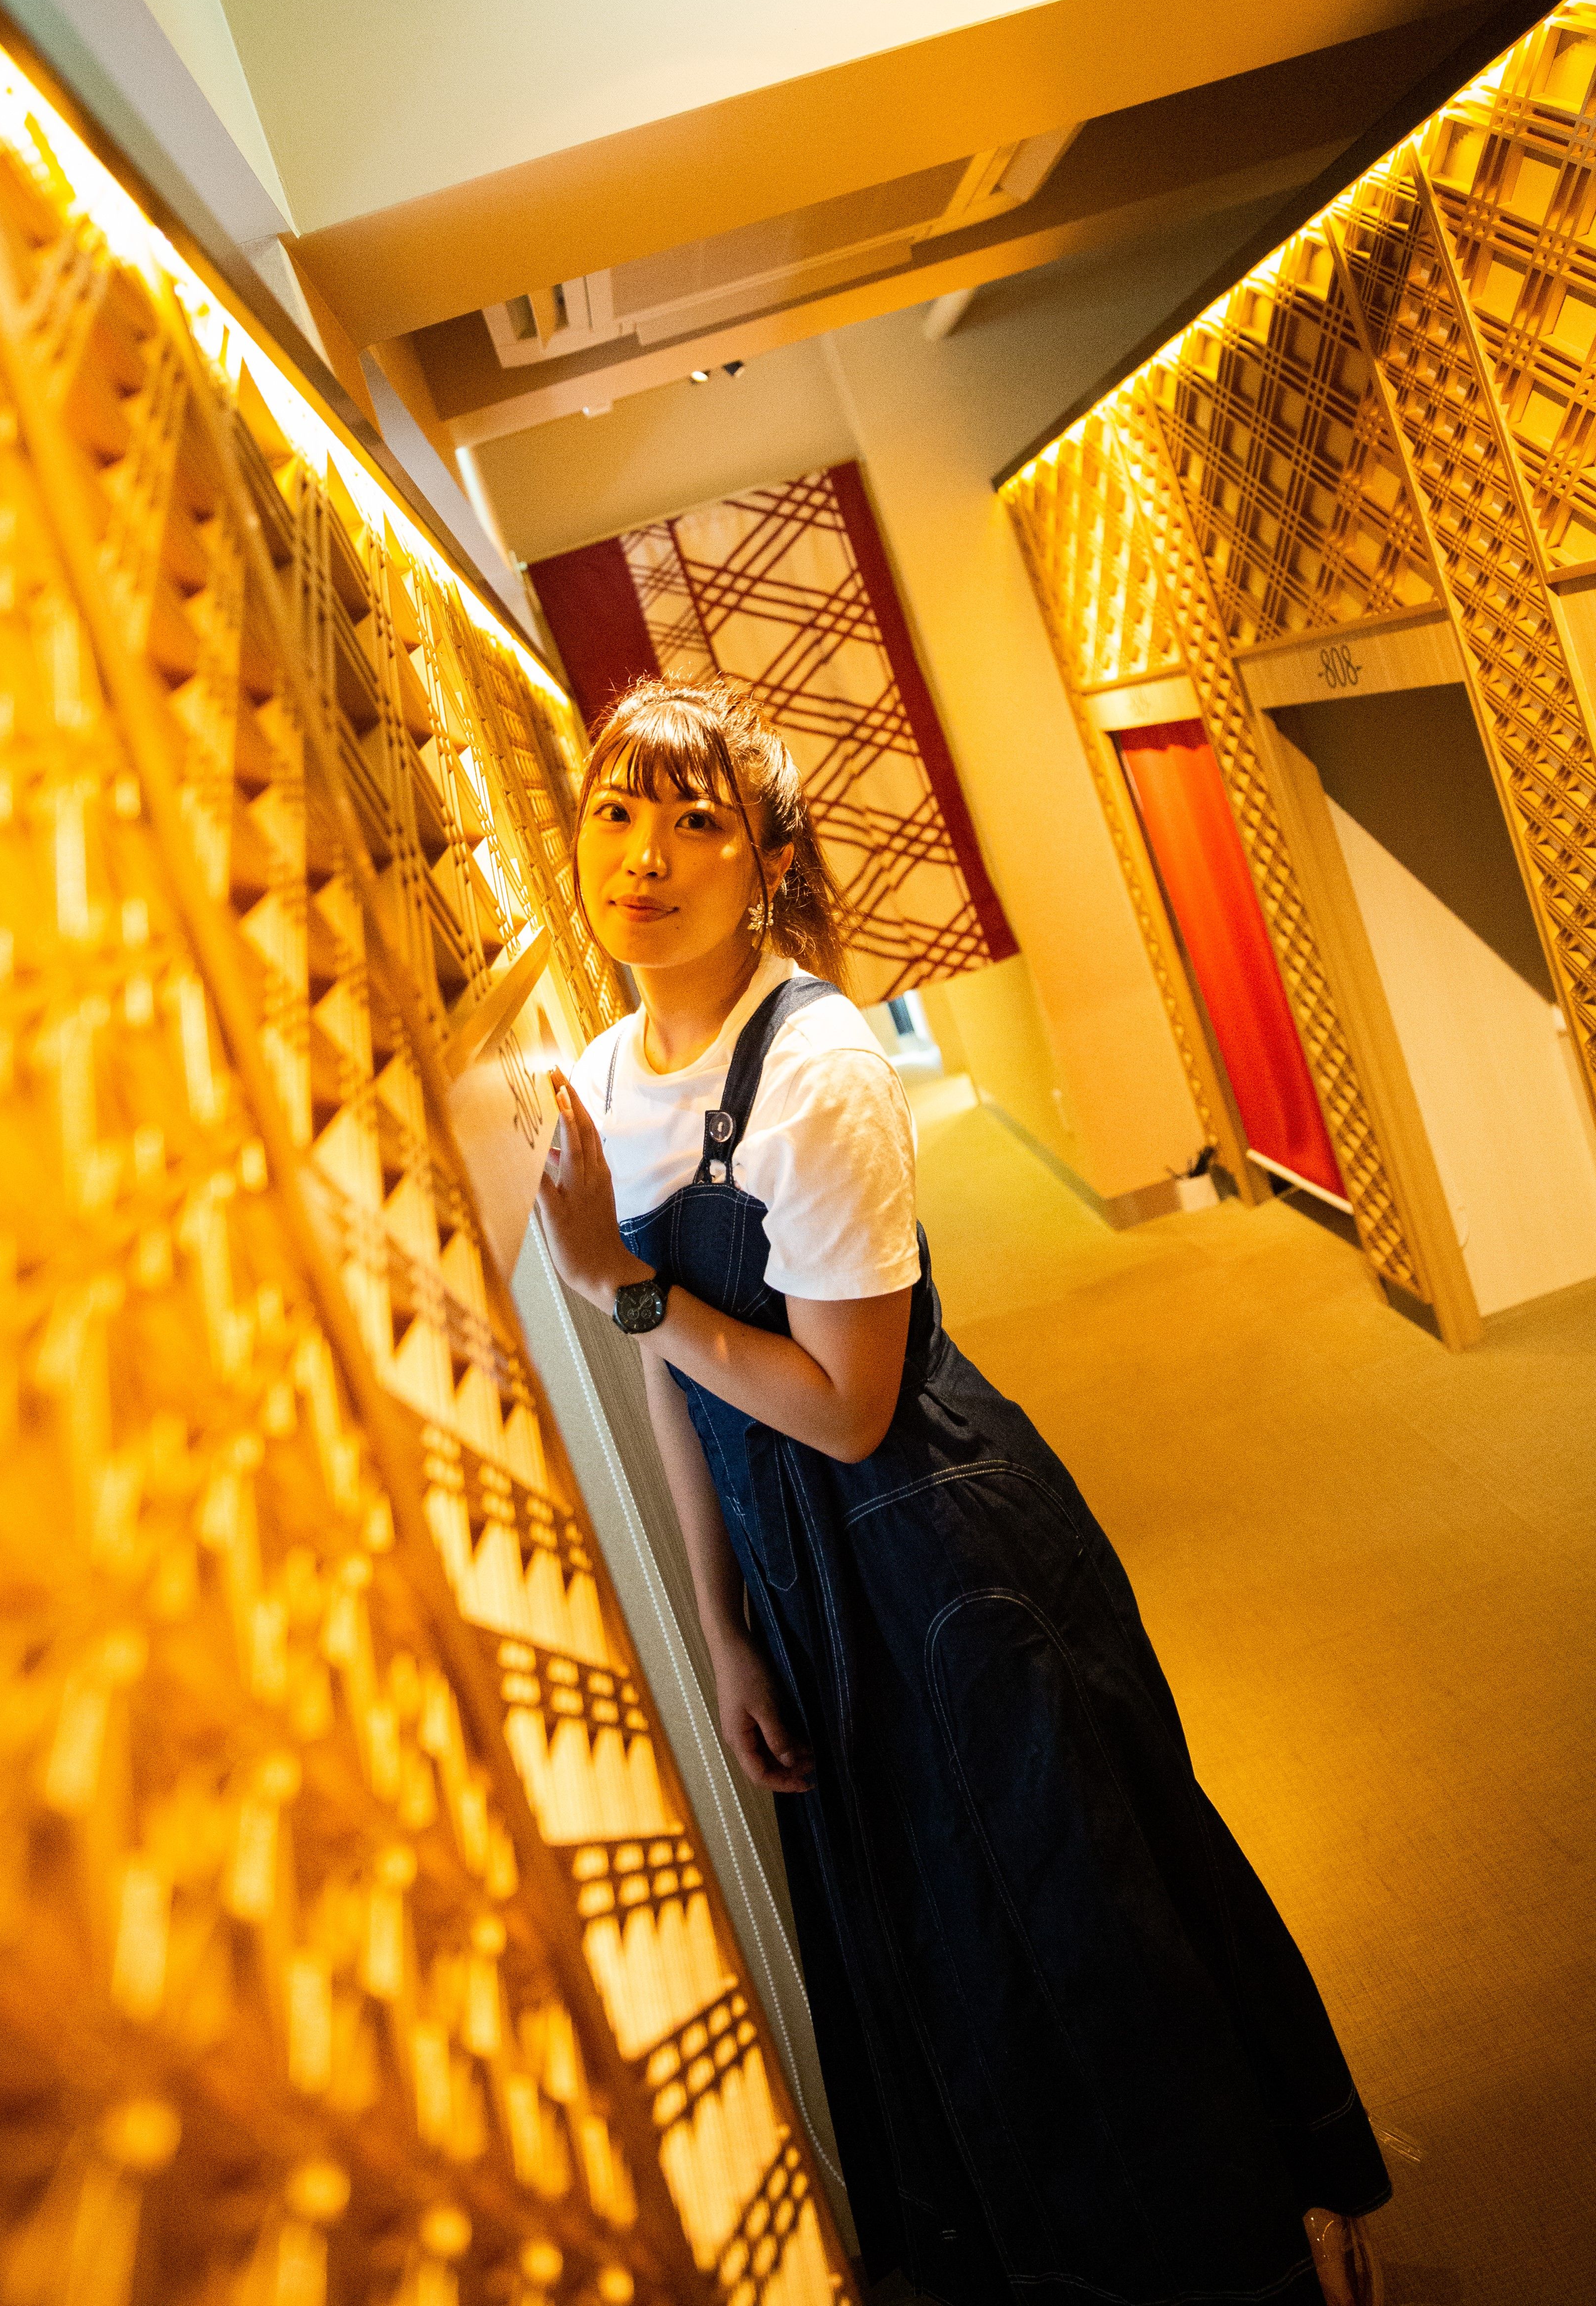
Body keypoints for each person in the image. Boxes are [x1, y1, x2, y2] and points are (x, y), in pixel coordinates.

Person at [541, 676, 1391, 2306]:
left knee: (1080, 1927)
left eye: (695, 821)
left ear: (769, 864)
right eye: (616, 811)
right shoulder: (610, 1068)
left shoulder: (819, 1068)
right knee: (939, 1958)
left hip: (934, 1558)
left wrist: (618, 1285)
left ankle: (1260, 2249)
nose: (642, 855)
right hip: (800, 1578)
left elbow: (844, 1404)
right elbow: (679, 1378)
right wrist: (722, 1629)